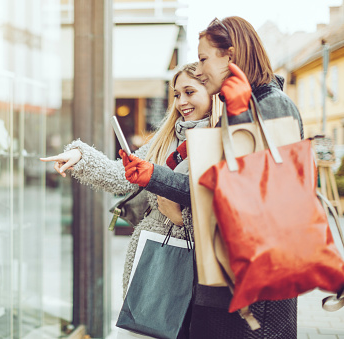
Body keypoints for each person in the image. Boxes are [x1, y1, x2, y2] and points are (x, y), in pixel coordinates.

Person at [121, 16, 303, 339]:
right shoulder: (244, 107)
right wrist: (152, 176)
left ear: (230, 56)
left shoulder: (271, 106)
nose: (201, 69)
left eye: (204, 59)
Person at [40, 62, 214, 303]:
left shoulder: (223, 142)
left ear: (212, 90)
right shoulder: (164, 140)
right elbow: (118, 175)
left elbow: (221, 214)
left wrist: (179, 219)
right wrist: (80, 155)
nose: (181, 101)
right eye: (176, 95)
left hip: (195, 262)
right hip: (149, 254)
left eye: (190, 92)